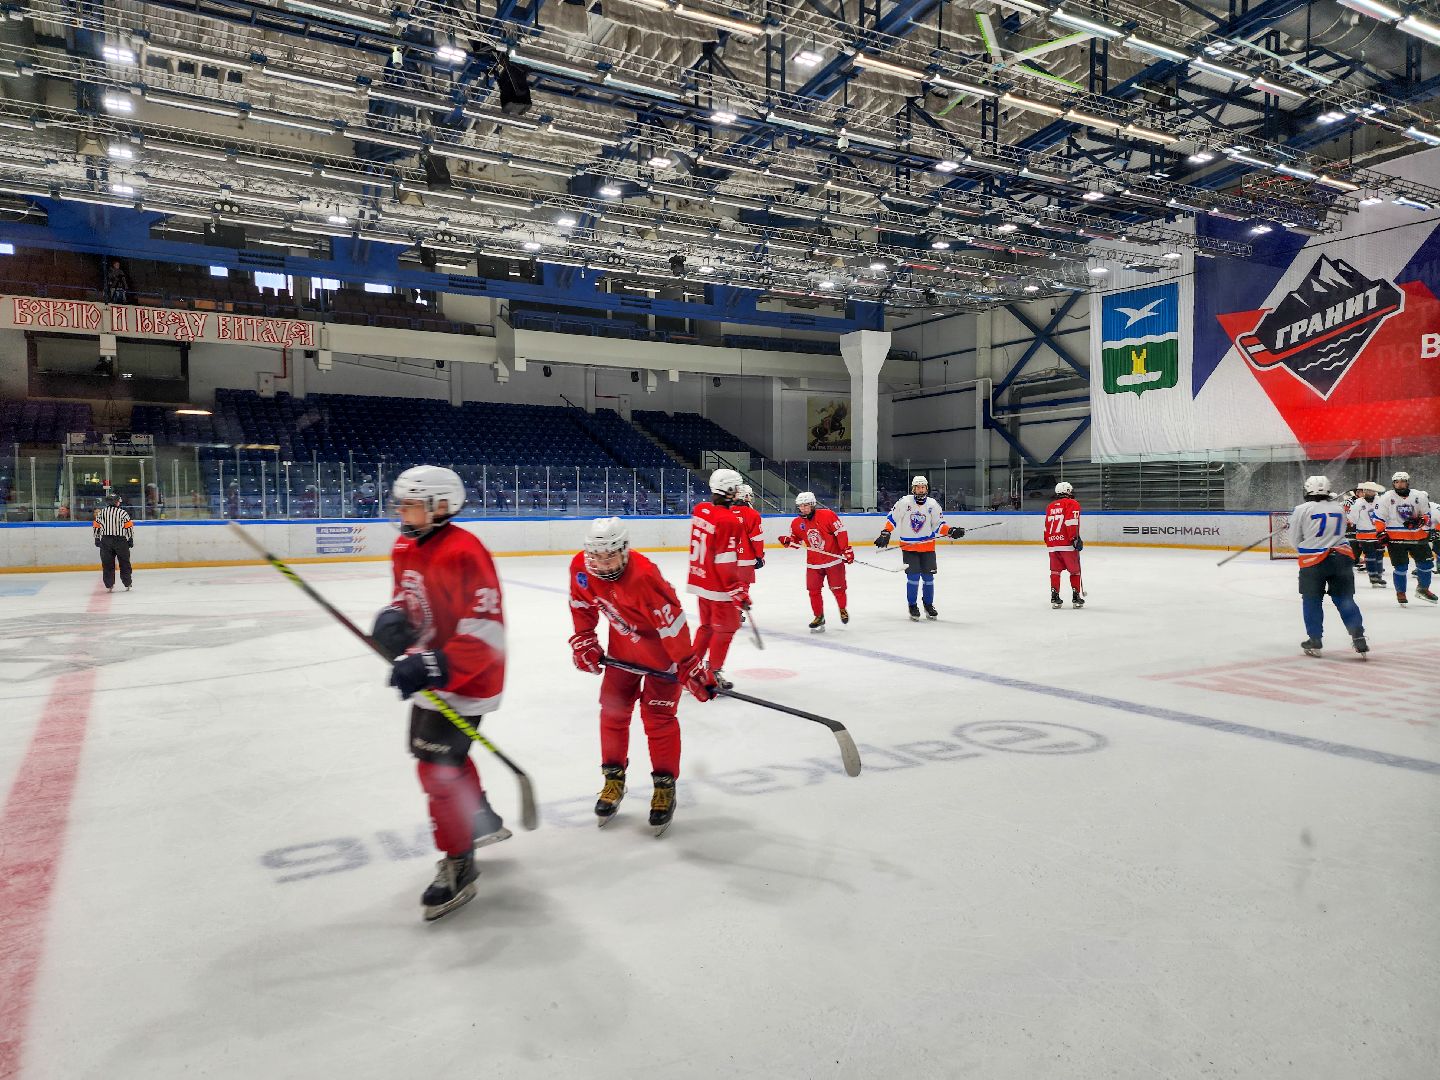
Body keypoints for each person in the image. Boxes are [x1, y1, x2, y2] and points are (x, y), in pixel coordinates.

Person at [369, 466, 509, 922]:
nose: (401, 513)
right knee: (439, 756)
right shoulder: (404, 546)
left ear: (440, 506)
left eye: (410, 505)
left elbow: (486, 635)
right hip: (431, 672)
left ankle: (459, 862)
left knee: (436, 770)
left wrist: (431, 664)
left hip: (467, 679)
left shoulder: (466, 552)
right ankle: (479, 817)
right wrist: (393, 618)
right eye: (401, 505)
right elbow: (407, 597)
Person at [568, 518, 716, 835]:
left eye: (610, 556)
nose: (602, 564)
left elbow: (672, 625)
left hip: (663, 658)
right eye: (597, 557)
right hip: (622, 654)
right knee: (612, 712)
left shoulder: (645, 577)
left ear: (624, 551)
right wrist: (585, 638)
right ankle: (613, 779)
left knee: (658, 718)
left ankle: (664, 785)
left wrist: (688, 665)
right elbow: (581, 604)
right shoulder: (581, 567)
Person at [1289, 476, 1368, 657]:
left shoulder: (1301, 509)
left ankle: (1315, 640)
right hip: (1341, 558)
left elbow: (1294, 540)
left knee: (1312, 600)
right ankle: (1358, 636)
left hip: (1314, 562)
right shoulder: (1338, 508)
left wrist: (1309, 545)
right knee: (1344, 598)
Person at [686, 468, 748, 690]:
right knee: (727, 628)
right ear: (729, 489)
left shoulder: (701, 509)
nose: (739, 491)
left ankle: (689, 671)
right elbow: (724, 560)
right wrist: (737, 590)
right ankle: (712, 673)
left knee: (707, 627)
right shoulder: (729, 520)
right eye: (736, 487)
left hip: (700, 580)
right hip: (718, 586)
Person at [875, 475, 965, 621]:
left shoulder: (933, 504)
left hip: (928, 547)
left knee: (929, 578)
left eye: (923, 487)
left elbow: (938, 525)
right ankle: (912, 605)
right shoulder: (904, 502)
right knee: (913, 577)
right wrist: (886, 532)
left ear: (926, 488)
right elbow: (892, 518)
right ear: (913, 489)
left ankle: (928, 605)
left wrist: (950, 531)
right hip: (909, 548)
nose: (921, 490)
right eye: (918, 487)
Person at [778, 490, 852, 631]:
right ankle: (819, 616)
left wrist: (846, 549)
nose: (803, 508)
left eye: (806, 505)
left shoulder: (827, 515)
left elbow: (840, 533)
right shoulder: (796, 523)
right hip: (813, 563)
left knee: (838, 589)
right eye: (801, 506)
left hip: (833, 560)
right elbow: (796, 543)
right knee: (813, 590)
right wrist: (788, 541)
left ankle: (842, 609)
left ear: (813, 505)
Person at [1372, 471, 1434, 605]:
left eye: (1403, 481)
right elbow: (1378, 518)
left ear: (1408, 482)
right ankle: (1401, 592)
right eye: (1397, 482)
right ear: (1393, 483)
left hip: (1418, 537)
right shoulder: (1386, 498)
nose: (1400, 484)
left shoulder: (1420, 496)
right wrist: (1381, 533)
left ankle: (1423, 589)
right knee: (1401, 568)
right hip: (1395, 539)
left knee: (1426, 565)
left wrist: (1421, 521)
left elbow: (1427, 514)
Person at [1044, 482, 1084, 609]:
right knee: (1075, 571)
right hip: (1067, 543)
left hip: (1052, 543)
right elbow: (1071, 521)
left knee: (1055, 571)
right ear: (1067, 491)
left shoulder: (1050, 506)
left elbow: (1046, 526)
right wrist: (1074, 538)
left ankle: (1054, 597)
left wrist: (1048, 541)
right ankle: (1076, 597)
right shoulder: (1072, 503)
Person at [731, 483, 765, 614]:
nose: (750, 498)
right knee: (743, 586)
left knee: (730, 586)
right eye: (749, 496)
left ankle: (730, 611)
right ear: (745, 496)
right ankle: (736, 612)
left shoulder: (726, 512)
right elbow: (757, 539)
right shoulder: (752, 514)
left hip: (727, 558)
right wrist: (759, 557)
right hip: (745, 559)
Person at [1347, 481, 1386, 588]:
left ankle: (1379, 576)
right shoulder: (1358, 503)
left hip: (1379, 534)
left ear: (1375, 491)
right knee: (1370, 555)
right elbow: (1353, 519)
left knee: (1379, 555)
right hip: (1364, 535)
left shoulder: (1381, 501)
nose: (1369, 492)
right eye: (1367, 490)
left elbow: (1386, 515)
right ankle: (1373, 577)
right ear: (1364, 491)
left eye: (1371, 490)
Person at [93, 491, 134, 592]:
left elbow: (96, 526)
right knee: (124, 562)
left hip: (106, 541)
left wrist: (97, 538)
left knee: (107, 563)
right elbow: (128, 526)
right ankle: (127, 582)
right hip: (120, 540)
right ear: (116, 502)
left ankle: (109, 584)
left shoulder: (101, 513)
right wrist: (130, 538)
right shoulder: (123, 513)